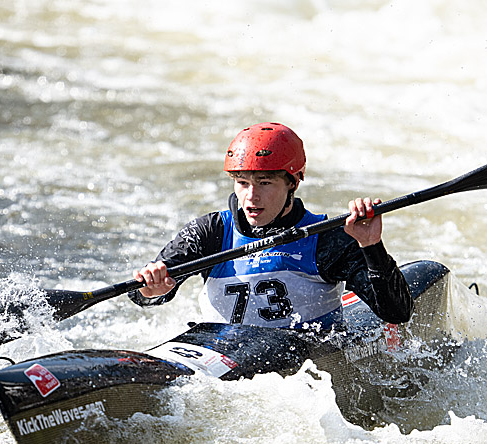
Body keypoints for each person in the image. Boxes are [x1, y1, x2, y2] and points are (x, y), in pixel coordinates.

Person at [129, 122, 413, 330]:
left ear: (293, 183)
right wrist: (150, 291)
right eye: (242, 183)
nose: (251, 197)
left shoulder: (327, 238)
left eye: (265, 183)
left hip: (301, 363)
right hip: (222, 353)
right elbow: (140, 294)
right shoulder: (210, 232)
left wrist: (370, 246)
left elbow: (396, 312)